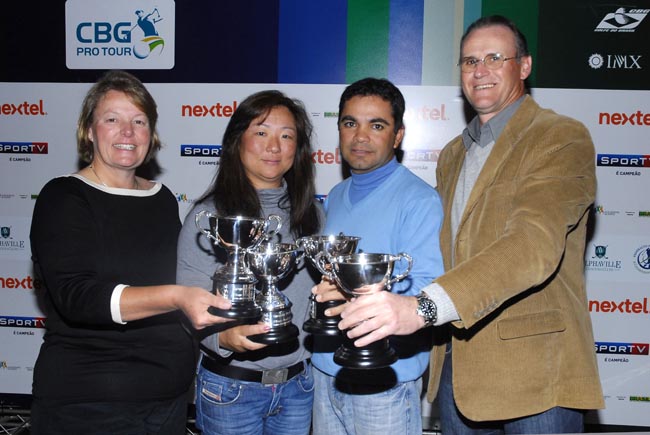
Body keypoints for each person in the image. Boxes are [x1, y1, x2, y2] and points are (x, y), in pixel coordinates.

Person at [336, 15, 605, 434]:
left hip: (535, 376)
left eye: (494, 58)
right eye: (468, 61)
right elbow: (438, 252)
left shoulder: (560, 137)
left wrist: (423, 308)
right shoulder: (452, 155)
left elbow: (533, 245)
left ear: (525, 66)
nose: (479, 71)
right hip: (458, 371)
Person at [29, 70, 233, 434]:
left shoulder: (162, 197)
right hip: (89, 406)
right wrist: (176, 297)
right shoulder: (64, 197)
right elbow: (78, 298)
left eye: (139, 121)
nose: (127, 131)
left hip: (166, 403)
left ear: (151, 135)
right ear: (89, 131)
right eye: (112, 119)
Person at [176, 90, 323, 435]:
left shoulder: (312, 215)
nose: (275, 146)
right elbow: (187, 303)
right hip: (231, 389)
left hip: (298, 387)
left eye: (287, 136)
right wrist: (222, 338)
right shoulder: (211, 217)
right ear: (236, 140)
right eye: (261, 132)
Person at [310, 77, 444, 435]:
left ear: (397, 136)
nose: (360, 136)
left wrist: (352, 293)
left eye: (377, 125)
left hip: (384, 381)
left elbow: (427, 290)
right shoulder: (336, 195)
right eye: (350, 123)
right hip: (326, 370)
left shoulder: (420, 200)